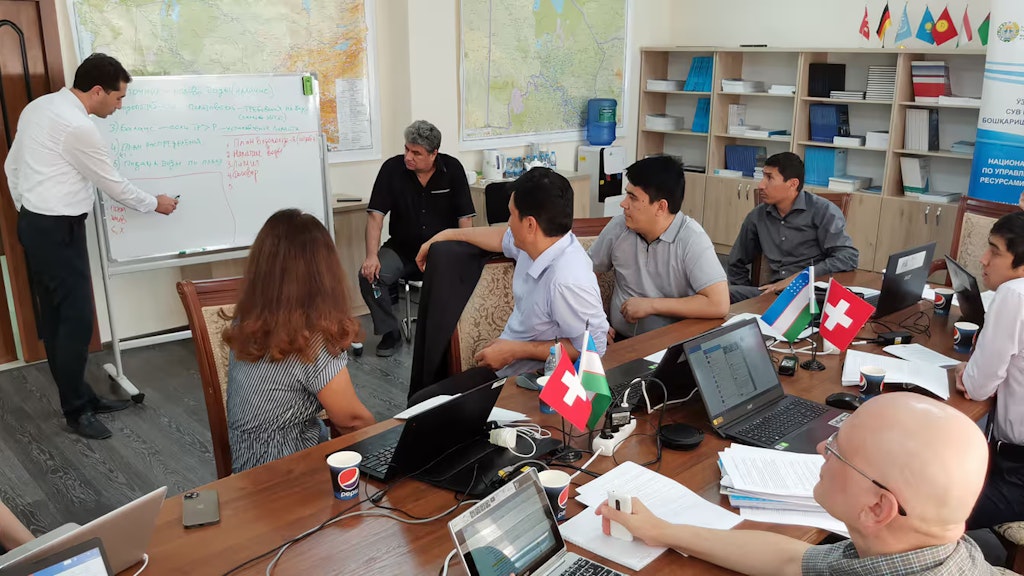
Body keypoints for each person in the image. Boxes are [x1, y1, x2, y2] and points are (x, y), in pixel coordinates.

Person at [597, 392, 1012, 575]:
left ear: (878, 508)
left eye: (838, 448)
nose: (819, 449)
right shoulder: (918, 552)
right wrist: (663, 531)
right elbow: (791, 561)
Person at [3, 53, 178, 440]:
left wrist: (28, 208)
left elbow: (11, 166)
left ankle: (80, 396)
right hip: (56, 230)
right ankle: (76, 410)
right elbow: (113, 184)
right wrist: (156, 203)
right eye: (117, 98)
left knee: (57, 319)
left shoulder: (39, 107)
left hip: (39, 224)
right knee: (76, 322)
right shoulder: (78, 128)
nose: (119, 106)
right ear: (97, 91)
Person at [416, 167, 608, 377]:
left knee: (433, 407)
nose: (508, 222)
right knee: (427, 401)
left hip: (536, 381)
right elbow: (500, 237)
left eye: (511, 214)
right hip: (507, 367)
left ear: (530, 224)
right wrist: (447, 234)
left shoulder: (567, 280)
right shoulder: (539, 241)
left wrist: (514, 351)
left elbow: (593, 348)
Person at [223, 209, 375, 473]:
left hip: (246, 472)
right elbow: (352, 421)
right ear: (323, 272)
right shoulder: (310, 340)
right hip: (292, 478)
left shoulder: (248, 322)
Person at [360, 120, 475, 357]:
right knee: (370, 278)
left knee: (463, 279)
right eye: (406, 149)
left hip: (442, 253)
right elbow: (375, 217)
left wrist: (464, 256)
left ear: (434, 154)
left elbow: (465, 220)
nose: (408, 157)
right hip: (402, 250)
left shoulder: (452, 170)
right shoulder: (392, 169)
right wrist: (371, 256)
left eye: (416, 153)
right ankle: (391, 332)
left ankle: (448, 334)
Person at [588, 156, 727, 340]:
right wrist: (596, 322)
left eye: (632, 198)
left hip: (671, 345)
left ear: (661, 207)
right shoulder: (619, 227)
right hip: (620, 342)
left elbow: (719, 303)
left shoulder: (691, 238)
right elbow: (585, 276)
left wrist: (652, 305)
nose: (623, 204)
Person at [955, 211, 1024, 530]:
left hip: (1017, 474)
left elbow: (978, 387)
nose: (983, 259)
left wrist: (967, 371)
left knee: (922, 508)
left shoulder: (1014, 294)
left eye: (995, 252)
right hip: (1006, 456)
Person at [727, 152, 858, 303]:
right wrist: (748, 303)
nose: (761, 185)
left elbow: (848, 257)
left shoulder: (822, 211)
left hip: (810, 295)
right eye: (763, 176)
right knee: (722, 295)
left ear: (793, 184)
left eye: (769, 178)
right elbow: (735, 262)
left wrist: (800, 278)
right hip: (772, 294)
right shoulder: (758, 216)